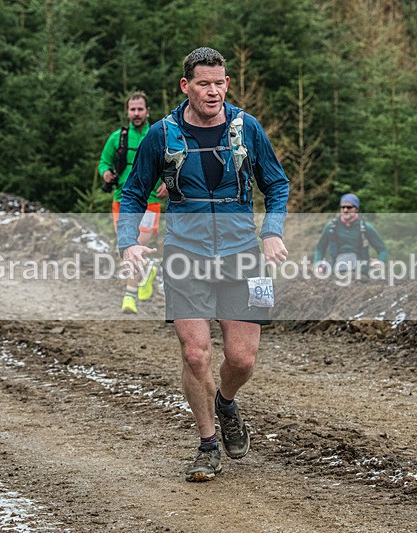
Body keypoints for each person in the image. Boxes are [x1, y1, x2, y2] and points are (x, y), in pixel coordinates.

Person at [117, 47, 289, 481]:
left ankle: (226, 403)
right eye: (203, 84)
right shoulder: (162, 134)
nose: (213, 92)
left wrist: (272, 231)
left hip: (244, 255)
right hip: (184, 255)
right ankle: (208, 444)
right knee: (196, 354)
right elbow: (134, 192)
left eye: (219, 83)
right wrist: (128, 244)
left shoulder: (247, 128)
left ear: (227, 83)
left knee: (243, 358)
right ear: (185, 86)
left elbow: (278, 184)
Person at [97, 91, 168, 314]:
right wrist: (106, 173)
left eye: (140, 109)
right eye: (132, 109)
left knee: (136, 243)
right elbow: (103, 162)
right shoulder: (117, 138)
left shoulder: (159, 135)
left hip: (150, 200)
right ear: (127, 112)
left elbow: (172, 163)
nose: (136, 113)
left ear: (148, 111)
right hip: (122, 200)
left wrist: (169, 183)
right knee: (129, 245)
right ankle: (144, 276)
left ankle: (129, 296)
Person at [313, 193, 387, 274]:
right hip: (335, 273)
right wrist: (317, 265)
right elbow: (320, 249)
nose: (345, 210)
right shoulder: (331, 227)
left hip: (361, 273)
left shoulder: (365, 227)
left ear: (356, 209)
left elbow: (382, 250)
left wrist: (380, 262)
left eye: (349, 207)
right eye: (342, 207)